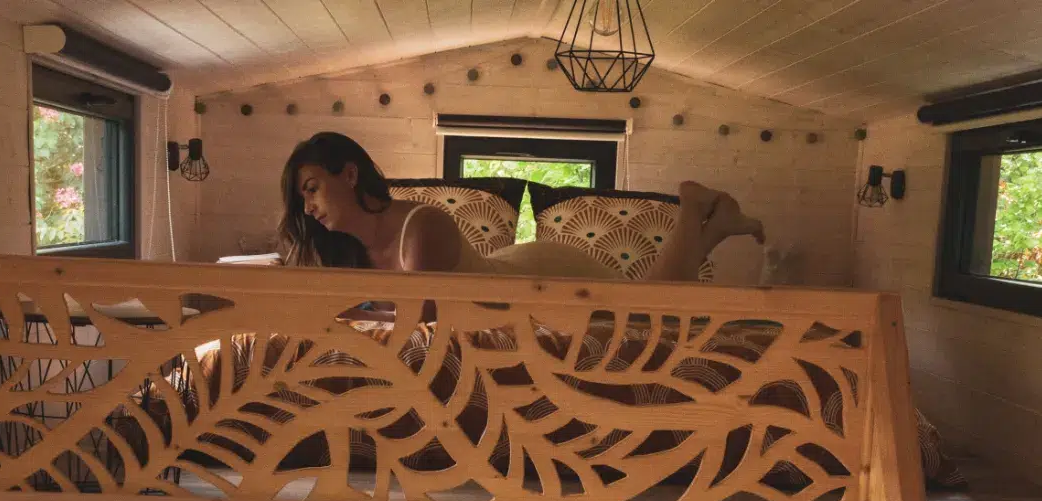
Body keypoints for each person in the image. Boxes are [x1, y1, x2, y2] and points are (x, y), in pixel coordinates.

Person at [277, 130, 765, 280]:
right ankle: (718, 226)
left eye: (313, 188)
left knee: (657, 301)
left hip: (545, 276)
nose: (310, 206)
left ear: (350, 174)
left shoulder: (421, 228)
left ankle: (690, 203)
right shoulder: (342, 251)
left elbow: (417, 329)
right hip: (503, 267)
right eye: (303, 199)